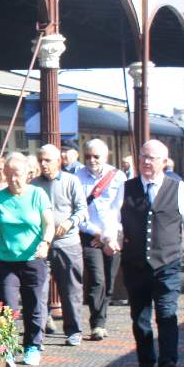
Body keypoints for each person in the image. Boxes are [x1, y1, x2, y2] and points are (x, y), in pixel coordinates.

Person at [121, 140, 184, 367]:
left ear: (164, 161)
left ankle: (168, 362)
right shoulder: (126, 188)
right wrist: (108, 235)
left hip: (167, 263)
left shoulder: (178, 189)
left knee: (167, 313)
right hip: (135, 263)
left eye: (152, 158)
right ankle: (145, 364)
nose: (147, 162)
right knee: (140, 316)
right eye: (143, 157)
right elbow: (113, 218)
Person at [0, 153, 54, 367]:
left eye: (18, 175)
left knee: (33, 304)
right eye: (8, 175)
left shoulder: (37, 195)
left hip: (33, 258)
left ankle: (32, 346)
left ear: (28, 174)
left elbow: (48, 223)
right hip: (5, 260)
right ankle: (7, 348)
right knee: (7, 306)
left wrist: (45, 243)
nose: (13, 179)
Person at [33, 144, 88, 346]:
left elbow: (82, 210)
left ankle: (74, 330)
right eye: (41, 160)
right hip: (41, 245)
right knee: (39, 289)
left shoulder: (71, 181)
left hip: (68, 244)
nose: (43, 164)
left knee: (71, 289)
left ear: (58, 161)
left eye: (47, 160)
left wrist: (69, 222)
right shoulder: (34, 185)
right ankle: (37, 333)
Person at [76, 139, 124, 339]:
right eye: (87, 156)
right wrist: (97, 234)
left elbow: (118, 209)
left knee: (110, 281)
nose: (91, 160)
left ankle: (102, 316)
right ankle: (97, 323)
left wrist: (108, 237)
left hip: (112, 235)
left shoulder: (118, 177)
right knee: (97, 279)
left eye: (96, 156)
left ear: (106, 156)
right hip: (89, 236)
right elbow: (78, 211)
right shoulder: (76, 177)